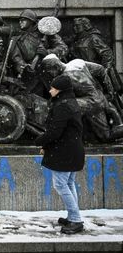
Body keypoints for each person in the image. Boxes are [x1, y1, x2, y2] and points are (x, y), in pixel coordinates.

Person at [35, 75, 85, 234]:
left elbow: (55, 132)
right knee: (69, 183)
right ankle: (72, 216)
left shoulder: (62, 106)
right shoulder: (71, 102)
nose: (50, 90)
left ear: (60, 90)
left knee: (60, 185)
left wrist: (41, 141)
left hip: (64, 151)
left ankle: (76, 219)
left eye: (53, 88)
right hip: (72, 149)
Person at [41, 54, 123, 142]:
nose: (50, 74)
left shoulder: (65, 79)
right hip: (99, 97)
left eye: (49, 71)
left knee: (106, 136)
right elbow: (101, 70)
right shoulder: (77, 63)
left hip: (93, 104)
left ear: (56, 66)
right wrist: (109, 91)